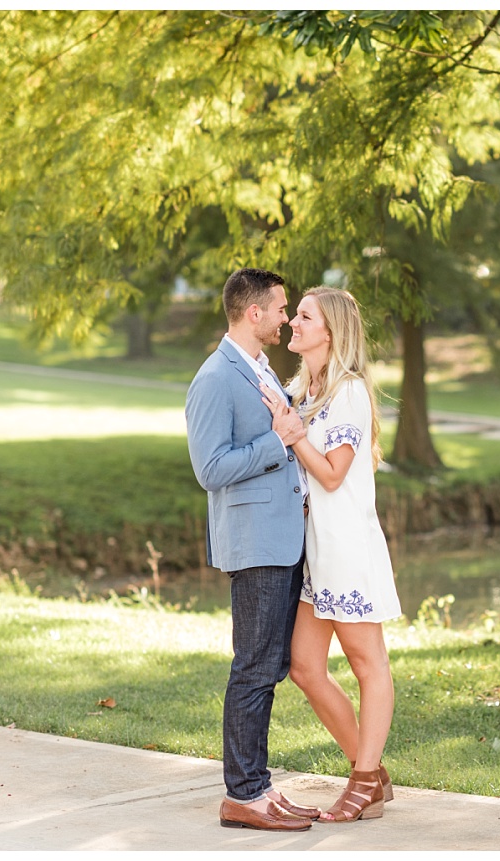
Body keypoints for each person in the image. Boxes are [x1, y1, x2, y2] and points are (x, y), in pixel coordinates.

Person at [185, 268, 322, 832]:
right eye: (282, 308)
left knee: (268, 666)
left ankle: (260, 788)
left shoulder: (260, 368)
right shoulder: (216, 378)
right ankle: (243, 795)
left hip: (282, 538)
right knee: (253, 669)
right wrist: (279, 441)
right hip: (255, 543)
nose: (287, 318)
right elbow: (210, 469)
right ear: (254, 313)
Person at [261, 286, 401, 823]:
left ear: (330, 331)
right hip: (314, 551)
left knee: (369, 664)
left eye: (303, 315)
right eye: (293, 313)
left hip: (347, 548)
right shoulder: (302, 388)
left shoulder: (347, 391)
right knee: (304, 666)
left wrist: (293, 436)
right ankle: (373, 771)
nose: (292, 322)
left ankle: (363, 781)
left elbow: (333, 473)